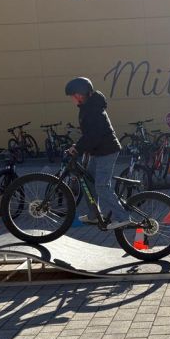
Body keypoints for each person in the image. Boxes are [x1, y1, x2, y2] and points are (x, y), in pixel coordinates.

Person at [64, 77, 135, 230]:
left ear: (79, 94)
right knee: (88, 181)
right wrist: (78, 146)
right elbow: (89, 134)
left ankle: (123, 217)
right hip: (98, 151)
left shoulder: (93, 109)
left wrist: (78, 148)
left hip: (107, 151)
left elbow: (93, 136)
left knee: (102, 186)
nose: (71, 99)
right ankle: (94, 215)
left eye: (71, 96)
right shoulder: (88, 107)